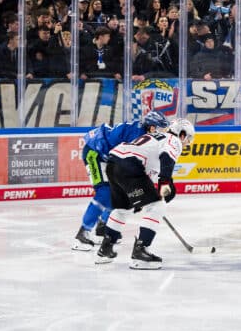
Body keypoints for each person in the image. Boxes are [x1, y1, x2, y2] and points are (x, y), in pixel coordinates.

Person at [95, 118, 195, 269]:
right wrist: (165, 183)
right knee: (157, 206)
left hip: (113, 164)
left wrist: (142, 197)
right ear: (181, 134)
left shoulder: (157, 137)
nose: (187, 142)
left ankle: (105, 250)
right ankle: (140, 252)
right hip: (129, 166)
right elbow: (167, 158)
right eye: (188, 137)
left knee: (123, 209)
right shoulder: (173, 141)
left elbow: (146, 172)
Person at [72, 111, 169, 251]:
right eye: (161, 128)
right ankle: (82, 234)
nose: (163, 133)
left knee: (119, 193)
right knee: (105, 193)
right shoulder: (136, 135)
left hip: (110, 158)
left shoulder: (147, 139)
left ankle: (103, 228)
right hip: (95, 153)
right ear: (152, 128)